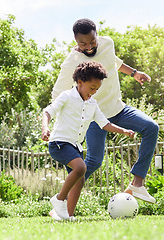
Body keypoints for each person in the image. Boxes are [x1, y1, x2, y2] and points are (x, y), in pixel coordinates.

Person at [51, 18, 159, 218]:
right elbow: (57, 93)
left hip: (118, 109)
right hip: (94, 118)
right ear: (75, 41)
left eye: (92, 41)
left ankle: (137, 183)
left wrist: (134, 73)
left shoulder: (107, 43)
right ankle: (63, 207)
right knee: (92, 162)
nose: (89, 47)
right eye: (83, 44)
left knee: (151, 127)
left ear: (97, 35)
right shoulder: (71, 62)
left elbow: (114, 62)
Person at [42, 61, 135, 221]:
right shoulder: (67, 96)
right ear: (80, 82)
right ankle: (59, 199)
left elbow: (104, 123)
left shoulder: (92, 103)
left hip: (75, 146)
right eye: (92, 88)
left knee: (80, 178)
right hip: (59, 143)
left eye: (97, 89)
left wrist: (123, 130)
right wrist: (45, 128)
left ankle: (66, 215)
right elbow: (48, 112)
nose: (93, 92)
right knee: (80, 167)